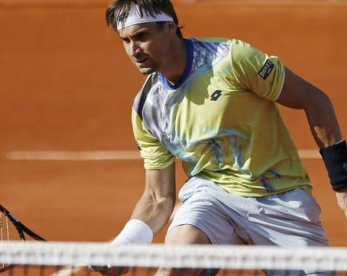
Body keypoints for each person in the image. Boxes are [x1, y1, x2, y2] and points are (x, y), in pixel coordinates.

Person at [100, 0, 347, 275]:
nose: (134, 50)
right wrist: (125, 245)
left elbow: (315, 100)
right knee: (175, 266)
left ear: (169, 28)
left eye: (142, 36)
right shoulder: (147, 108)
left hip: (279, 197)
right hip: (212, 196)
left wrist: (343, 185)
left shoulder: (230, 60)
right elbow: (158, 198)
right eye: (126, 40)